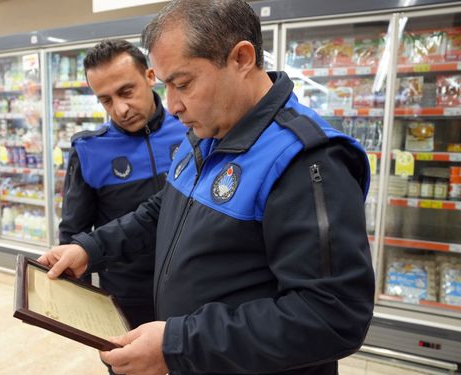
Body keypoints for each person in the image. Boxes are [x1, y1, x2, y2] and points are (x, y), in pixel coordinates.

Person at [40, 1, 375, 374]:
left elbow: (332, 315)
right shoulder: (206, 132)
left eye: (183, 84)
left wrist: (178, 344)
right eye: (166, 85)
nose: (173, 105)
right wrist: (90, 248)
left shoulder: (306, 160)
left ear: (242, 58)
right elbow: (163, 208)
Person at [57, 39, 186, 330]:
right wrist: (81, 302)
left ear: (151, 77)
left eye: (126, 92)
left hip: (190, 288)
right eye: (106, 100)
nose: (120, 109)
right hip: (126, 296)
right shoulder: (89, 150)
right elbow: (73, 232)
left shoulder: (192, 129)